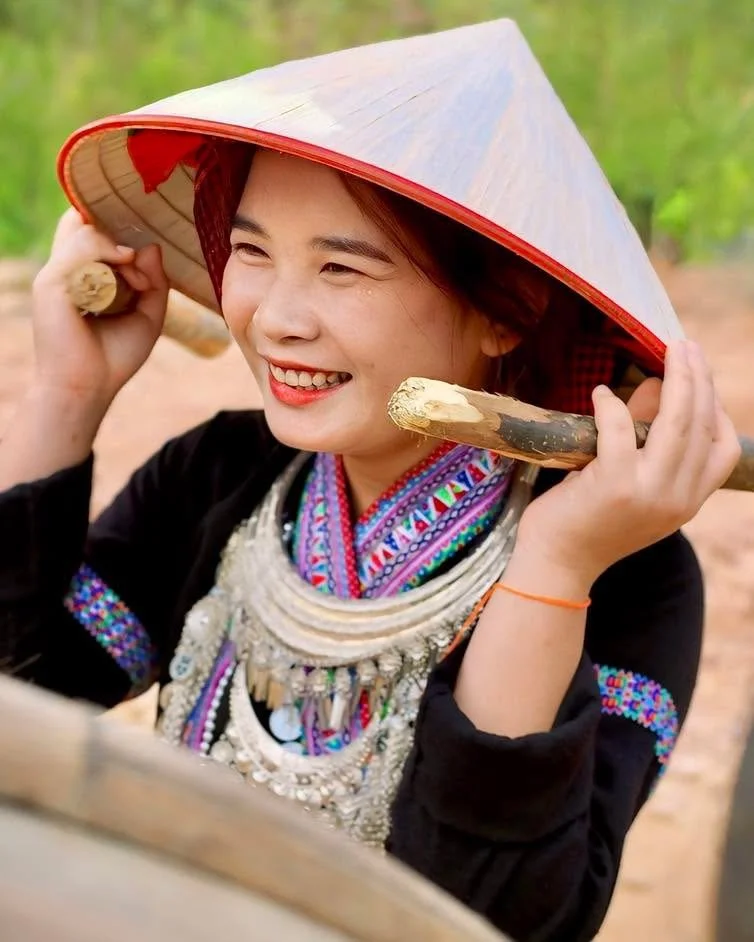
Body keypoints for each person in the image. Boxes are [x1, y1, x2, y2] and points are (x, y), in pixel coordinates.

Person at [0, 18, 741, 942]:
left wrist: (550, 571)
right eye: (255, 250)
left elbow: (501, 918)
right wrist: (67, 393)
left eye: (343, 267)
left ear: (503, 311)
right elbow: (27, 686)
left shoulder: (629, 577)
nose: (275, 318)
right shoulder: (222, 474)